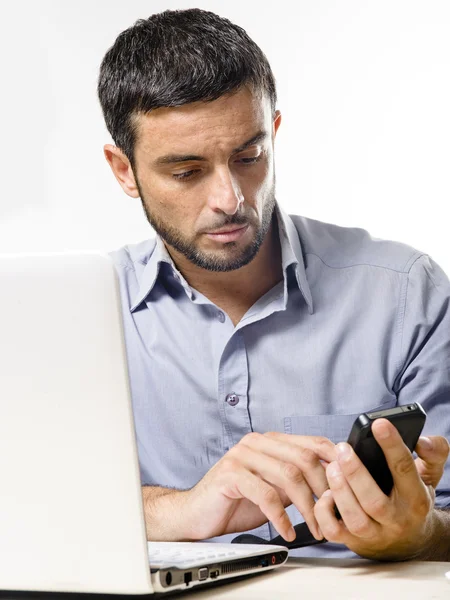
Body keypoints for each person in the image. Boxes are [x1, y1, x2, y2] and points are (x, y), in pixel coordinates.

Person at [97, 8, 450, 560]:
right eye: (186, 172)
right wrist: (185, 510)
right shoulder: (79, 314)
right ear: (124, 171)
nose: (230, 199)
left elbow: (443, 518)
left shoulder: (408, 296)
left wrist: (421, 535)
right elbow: (28, 502)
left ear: (275, 132)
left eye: (249, 156)